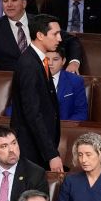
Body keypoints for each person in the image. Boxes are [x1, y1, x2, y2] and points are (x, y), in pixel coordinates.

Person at [10, 14, 65, 171]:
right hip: (31, 149)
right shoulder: (29, 64)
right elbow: (32, 113)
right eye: (55, 34)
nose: (59, 38)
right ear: (40, 35)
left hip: (37, 147)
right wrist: (51, 154)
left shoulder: (38, 60)